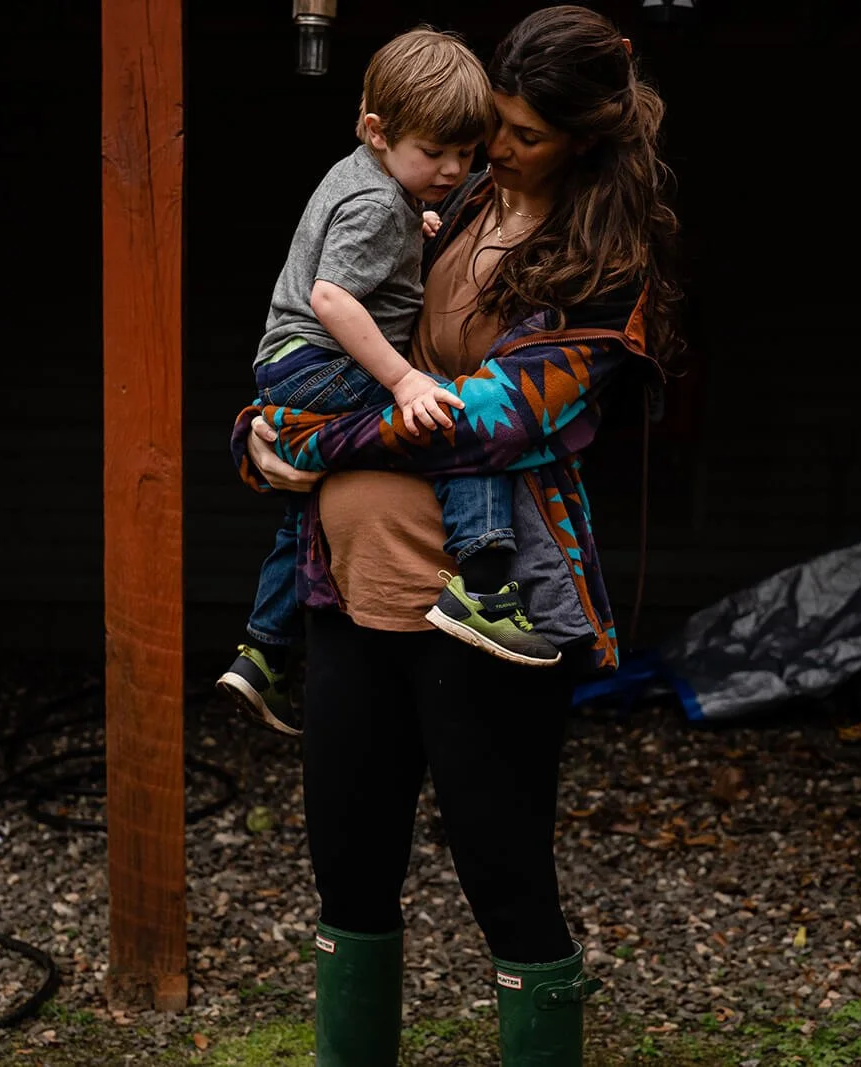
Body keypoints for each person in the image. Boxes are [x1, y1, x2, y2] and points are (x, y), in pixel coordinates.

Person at [229, 6, 681, 1064]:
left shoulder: (605, 269)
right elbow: (321, 328)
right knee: (346, 860)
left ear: (583, 136)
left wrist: (302, 431)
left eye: (518, 133)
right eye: (487, 130)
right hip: (349, 585)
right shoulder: (445, 192)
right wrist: (257, 433)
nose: (494, 148)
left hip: (492, 607)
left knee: (502, 868)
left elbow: (498, 421)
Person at [217, 27, 563, 739]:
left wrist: (416, 223)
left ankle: (263, 647)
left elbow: (368, 238)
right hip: (316, 359)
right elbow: (333, 297)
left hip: (285, 366)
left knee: (298, 511)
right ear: (376, 130)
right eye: (434, 153)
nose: (453, 168)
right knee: (452, 421)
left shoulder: (371, 185)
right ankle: (486, 582)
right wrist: (406, 380)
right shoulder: (380, 206)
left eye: (465, 153)